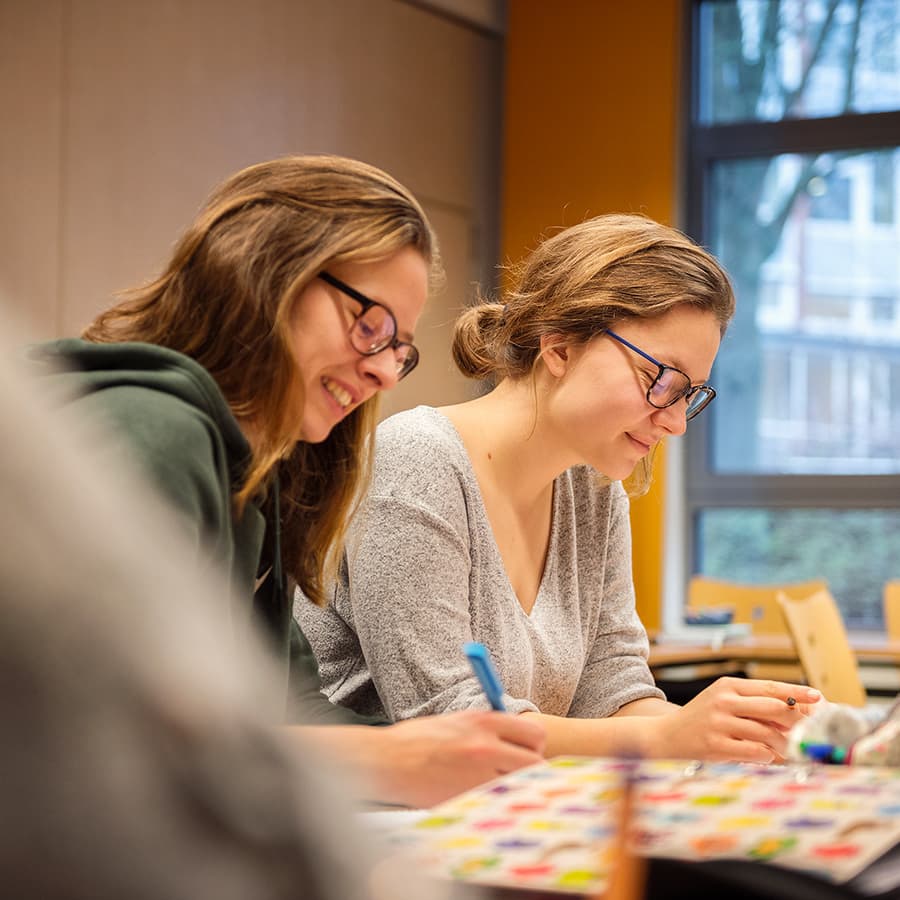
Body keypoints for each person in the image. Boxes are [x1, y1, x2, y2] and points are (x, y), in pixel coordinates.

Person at [27, 154, 544, 809]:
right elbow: (109, 734)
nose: (386, 373)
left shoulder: (257, 473)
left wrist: (435, 759)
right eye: (372, 327)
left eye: (399, 350)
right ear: (266, 272)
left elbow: (288, 702)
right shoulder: (150, 431)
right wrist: (389, 759)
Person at [297, 213, 821, 763]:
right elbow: (449, 722)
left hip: (500, 811)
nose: (676, 423)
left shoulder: (592, 490)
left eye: (688, 393)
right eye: (660, 379)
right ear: (560, 346)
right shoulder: (415, 460)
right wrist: (667, 736)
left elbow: (611, 692)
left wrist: (738, 731)